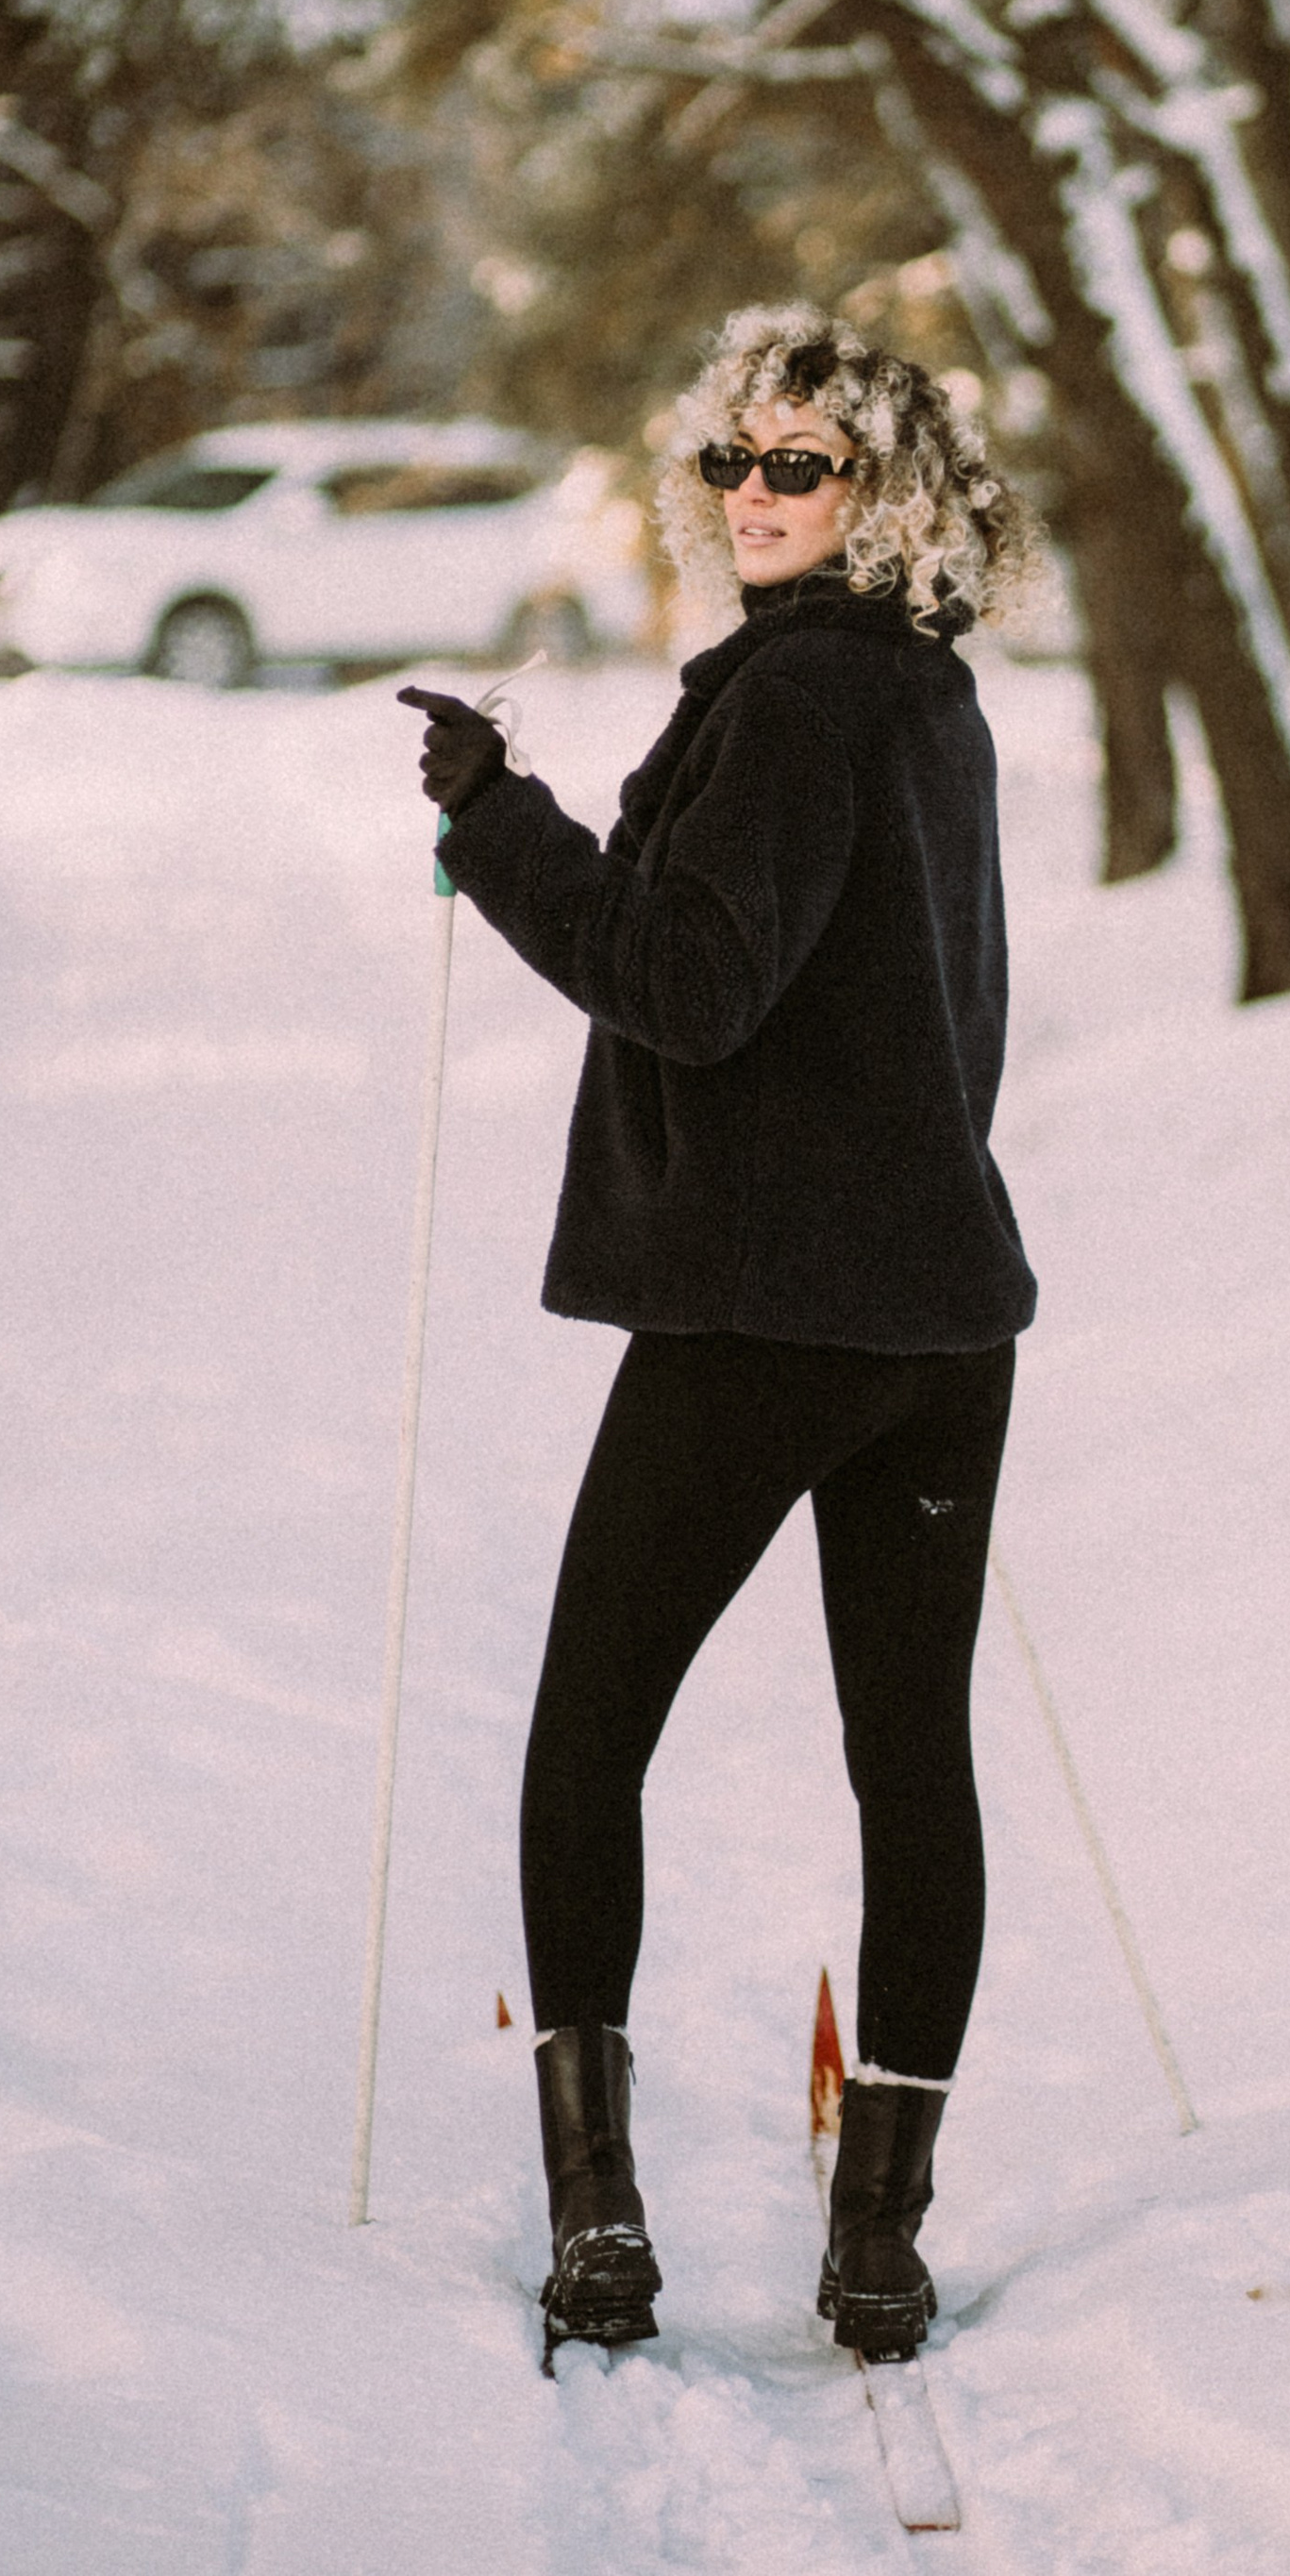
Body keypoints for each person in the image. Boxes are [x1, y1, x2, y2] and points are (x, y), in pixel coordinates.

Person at [403, 303, 1043, 2370]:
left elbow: (684, 981)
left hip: (767, 1316)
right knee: (908, 1762)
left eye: (805, 465)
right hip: (939, 1320)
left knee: (588, 1735)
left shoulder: (803, 702)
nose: (755, 496)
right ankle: (878, 2247)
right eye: (731, 463)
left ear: (887, 496)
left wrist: (498, 823)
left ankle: (597, 2226)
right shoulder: (927, 700)